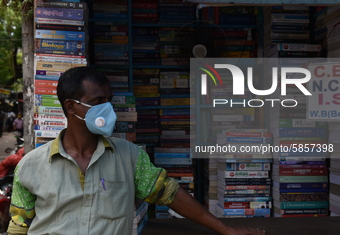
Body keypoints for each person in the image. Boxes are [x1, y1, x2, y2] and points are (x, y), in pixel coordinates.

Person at [7, 67, 265, 235]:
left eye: (109, 100)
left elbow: (168, 193)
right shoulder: (30, 166)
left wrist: (225, 229)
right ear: (71, 108)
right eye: (98, 102)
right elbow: (19, 226)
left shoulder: (129, 157)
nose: (108, 108)